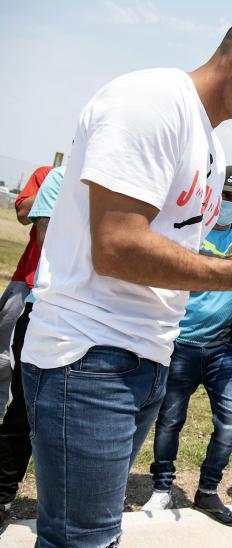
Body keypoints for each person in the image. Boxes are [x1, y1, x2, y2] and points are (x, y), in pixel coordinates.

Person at [19, 12, 232, 547]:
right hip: (90, 352)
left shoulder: (211, 147)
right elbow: (117, 246)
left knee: (83, 536)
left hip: (145, 354)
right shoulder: (151, 102)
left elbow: (175, 257)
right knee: (84, 539)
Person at [141, 165, 232, 525]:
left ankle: (207, 491)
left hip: (223, 349)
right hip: (181, 346)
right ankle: (161, 487)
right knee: (170, 419)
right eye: (227, 196)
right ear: (212, 194)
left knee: (231, 419)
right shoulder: (189, 234)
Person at [0, 165, 64, 534]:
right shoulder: (52, 175)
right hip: (32, 294)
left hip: (85, 314)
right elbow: (26, 213)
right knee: (16, 401)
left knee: (47, 411)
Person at [0, 165, 51, 411]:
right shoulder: (48, 174)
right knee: (4, 353)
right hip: (27, 280)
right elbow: (22, 212)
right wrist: (58, 183)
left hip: (63, 289)